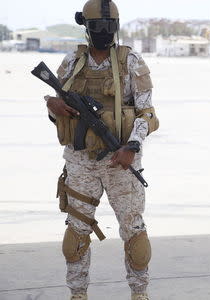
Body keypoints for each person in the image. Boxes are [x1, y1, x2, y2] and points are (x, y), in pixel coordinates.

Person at [44, 1, 159, 299]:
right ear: (87, 27)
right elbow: (60, 110)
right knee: (76, 237)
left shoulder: (131, 61)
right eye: (98, 27)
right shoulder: (72, 63)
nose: (104, 33)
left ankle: (139, 294)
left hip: (121, 161)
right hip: (81, 163)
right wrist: (53, 107)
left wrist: (132, 147)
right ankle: (78, 294)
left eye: (110, 27)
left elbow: (147, 114)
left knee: (135, 236)